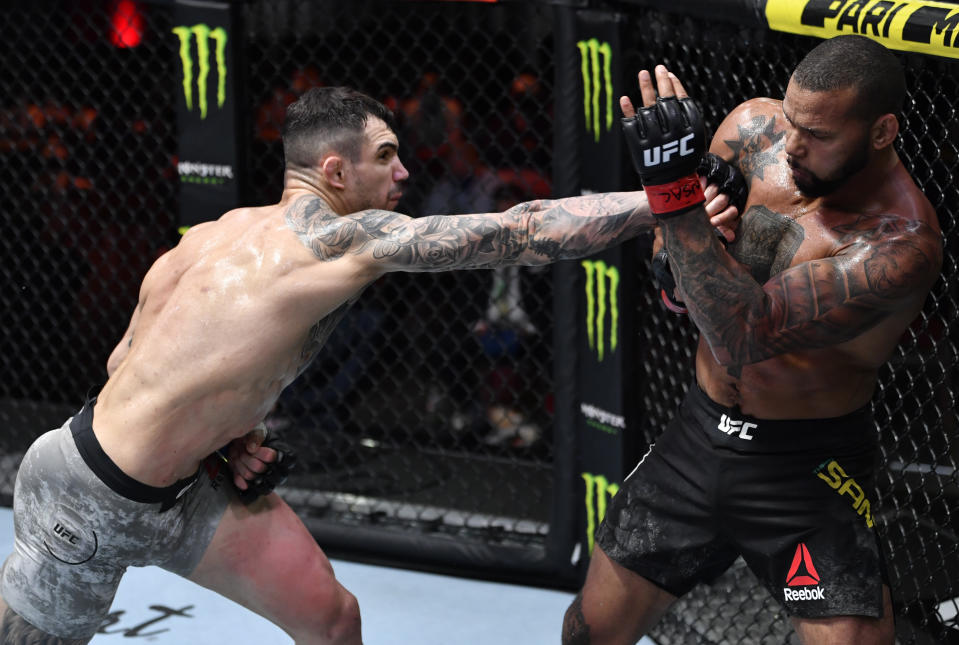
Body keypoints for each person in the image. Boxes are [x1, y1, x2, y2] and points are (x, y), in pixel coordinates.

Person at [0, 85, 741, 643]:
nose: (402, 172)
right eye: (384, 155)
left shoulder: (213, 233)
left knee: (332, 618)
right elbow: (521, 230)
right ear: (332, 167)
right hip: (91, 493)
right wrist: (666, 200)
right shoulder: (336, 243)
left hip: (190, 489)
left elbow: (124, 357)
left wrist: (219, 442)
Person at [563, 35, 943, 645]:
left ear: (881, 131)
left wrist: (676, 200)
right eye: (792, 121)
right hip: (697, 435)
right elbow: (672, 270)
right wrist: (685, 245)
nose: (792, 144)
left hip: (808, 467)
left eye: (817, 135)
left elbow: (745, 335)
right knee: (589, 631)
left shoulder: (899, 245)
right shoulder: (751, 130)